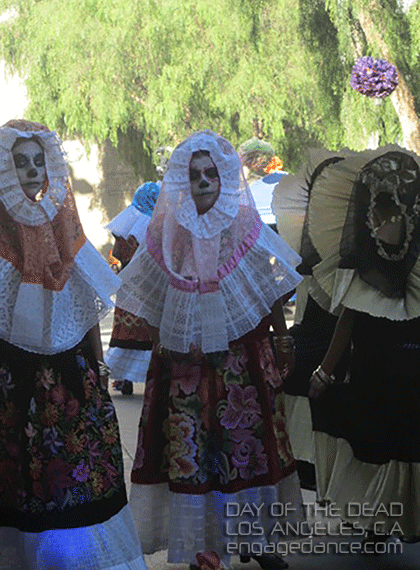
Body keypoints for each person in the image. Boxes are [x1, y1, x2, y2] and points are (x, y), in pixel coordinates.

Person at [116, 131, 305, 570]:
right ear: (183, 179)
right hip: (185, 365)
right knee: (193, 451)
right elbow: (143, 292)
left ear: (223, 178)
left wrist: (281, 338)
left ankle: (257, 540)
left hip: (242, 359)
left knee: (247, 447)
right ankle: (204, 546)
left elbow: (270, 286)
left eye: (211, 173)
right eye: (194, 174)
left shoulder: (244, 224)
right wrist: (158, 342)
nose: (203, 181)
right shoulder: (166, 231)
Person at [0, 119, 147, 569]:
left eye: (37, 161)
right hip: (12, 378)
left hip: (72, 377)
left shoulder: (68, 232)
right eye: (19, 162)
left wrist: (99, 368)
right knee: (21, 475)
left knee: (79, 468)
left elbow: (85, 309)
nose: (30, 171)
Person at [304, 148, 420, 541]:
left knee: (382, 440)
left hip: (385, 365)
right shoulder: (370, 252)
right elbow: (351, 313)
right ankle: (386, 521)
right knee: (391, 440)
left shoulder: (375, 250)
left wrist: (324, 371)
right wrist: (325, 369)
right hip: (379, 364)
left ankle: (381, 521)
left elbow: (349, 316)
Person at [105, 181, 161, 395]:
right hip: (151, 287)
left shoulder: (125, 228)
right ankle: (152, 376)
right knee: (150, 332)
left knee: (126, 332)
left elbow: (117, 254)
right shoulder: (159, 229)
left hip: (128, 286)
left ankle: (124, 379)